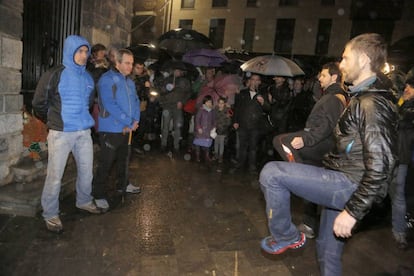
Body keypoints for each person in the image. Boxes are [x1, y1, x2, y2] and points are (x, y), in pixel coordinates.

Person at [259, 33, 398, 276]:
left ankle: (286, 236)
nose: (341, 64)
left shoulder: (372, 103)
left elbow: (382, 164)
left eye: (345, 58)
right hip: (345, 181)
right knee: (326, 252)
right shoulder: (361, 97)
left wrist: (353, 211)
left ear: (364, 59)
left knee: (272, 173)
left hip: (349, 185)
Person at [32, 35, 101, 233]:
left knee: (87, 171)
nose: (84, 55)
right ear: (70, 51)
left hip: (83, 132)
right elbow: (39, 103)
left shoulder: (88, 77)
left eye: (86, 51)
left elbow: (89, 103)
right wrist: (53, 121)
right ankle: (51, 213)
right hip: (61, 133)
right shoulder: (55, 74)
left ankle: (84, 200)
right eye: (80, 51)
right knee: (55, 175)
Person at [273, 62, 348, 239]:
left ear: (334, 77)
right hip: (323, 144)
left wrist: (306, 139)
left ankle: (298, 177)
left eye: (323, 75)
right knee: (311, 182)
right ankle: (309, 223)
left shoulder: (334, 97)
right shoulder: (332, 96)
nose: (319, 79)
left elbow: (327, 125)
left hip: (322, 143)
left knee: (281, 140)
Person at [92, 49, 141, 212]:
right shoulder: (107, 80)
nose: (130, 66)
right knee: (106, 163)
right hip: (111, 128)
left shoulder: (130, 82)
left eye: (132, 63)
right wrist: (127, 121)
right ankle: (97, 194)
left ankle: (123, 184)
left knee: (124, 159)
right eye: (127, 63)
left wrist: (135, 121)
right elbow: (109, 104)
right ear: (117, 63)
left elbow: (135, 101)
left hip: (128, 128)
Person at [390, 77, 414, 250]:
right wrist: (400, 101)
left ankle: (399, 231)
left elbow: (398, 121)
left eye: (411, 87)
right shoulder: (401, 101)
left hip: (402, 156)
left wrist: (402, 103)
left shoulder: (409, 107)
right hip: (389, 154)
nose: (407, 89)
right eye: (406, 86)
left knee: (398, 193)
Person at [231, 73, 271, 174]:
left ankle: (252, 167)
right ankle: (240, 165)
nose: (254, 81)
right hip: (243, 124)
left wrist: (263, 102)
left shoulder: (263, 94)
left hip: (256, 126)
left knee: (253, 147)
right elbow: (237, 108)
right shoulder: (242, 93)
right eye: (252, 79)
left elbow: (268, 109)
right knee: (242, 147)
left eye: (257, 80)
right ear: (250, 81)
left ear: (259, 82)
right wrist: (235, 121)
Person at [193, 95, 216, 163]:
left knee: (207, 144)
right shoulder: (201, 110)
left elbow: (214, 120)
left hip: (208, 130)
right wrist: (199, 128)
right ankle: (197, 156)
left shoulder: (212, 111)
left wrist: (213, 127)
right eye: (207, 102)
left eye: (210, 102)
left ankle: (207, 156)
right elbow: (197, 119)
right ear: (204, 102)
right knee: (198, 143)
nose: (209, 103)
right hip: (201, 130)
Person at [213, 97, 232, 163]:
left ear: (224, 104)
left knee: (221, 144)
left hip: (223, 130)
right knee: (216, 143)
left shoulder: (227, 111)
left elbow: (229, 122)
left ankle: (220, 156)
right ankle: (216, 155)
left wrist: (223, 125)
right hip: (216, 130)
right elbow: (213, 119)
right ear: (217, 103)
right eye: (219, 103)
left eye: (222, 103)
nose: (220, 104)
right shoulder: (215, 110)